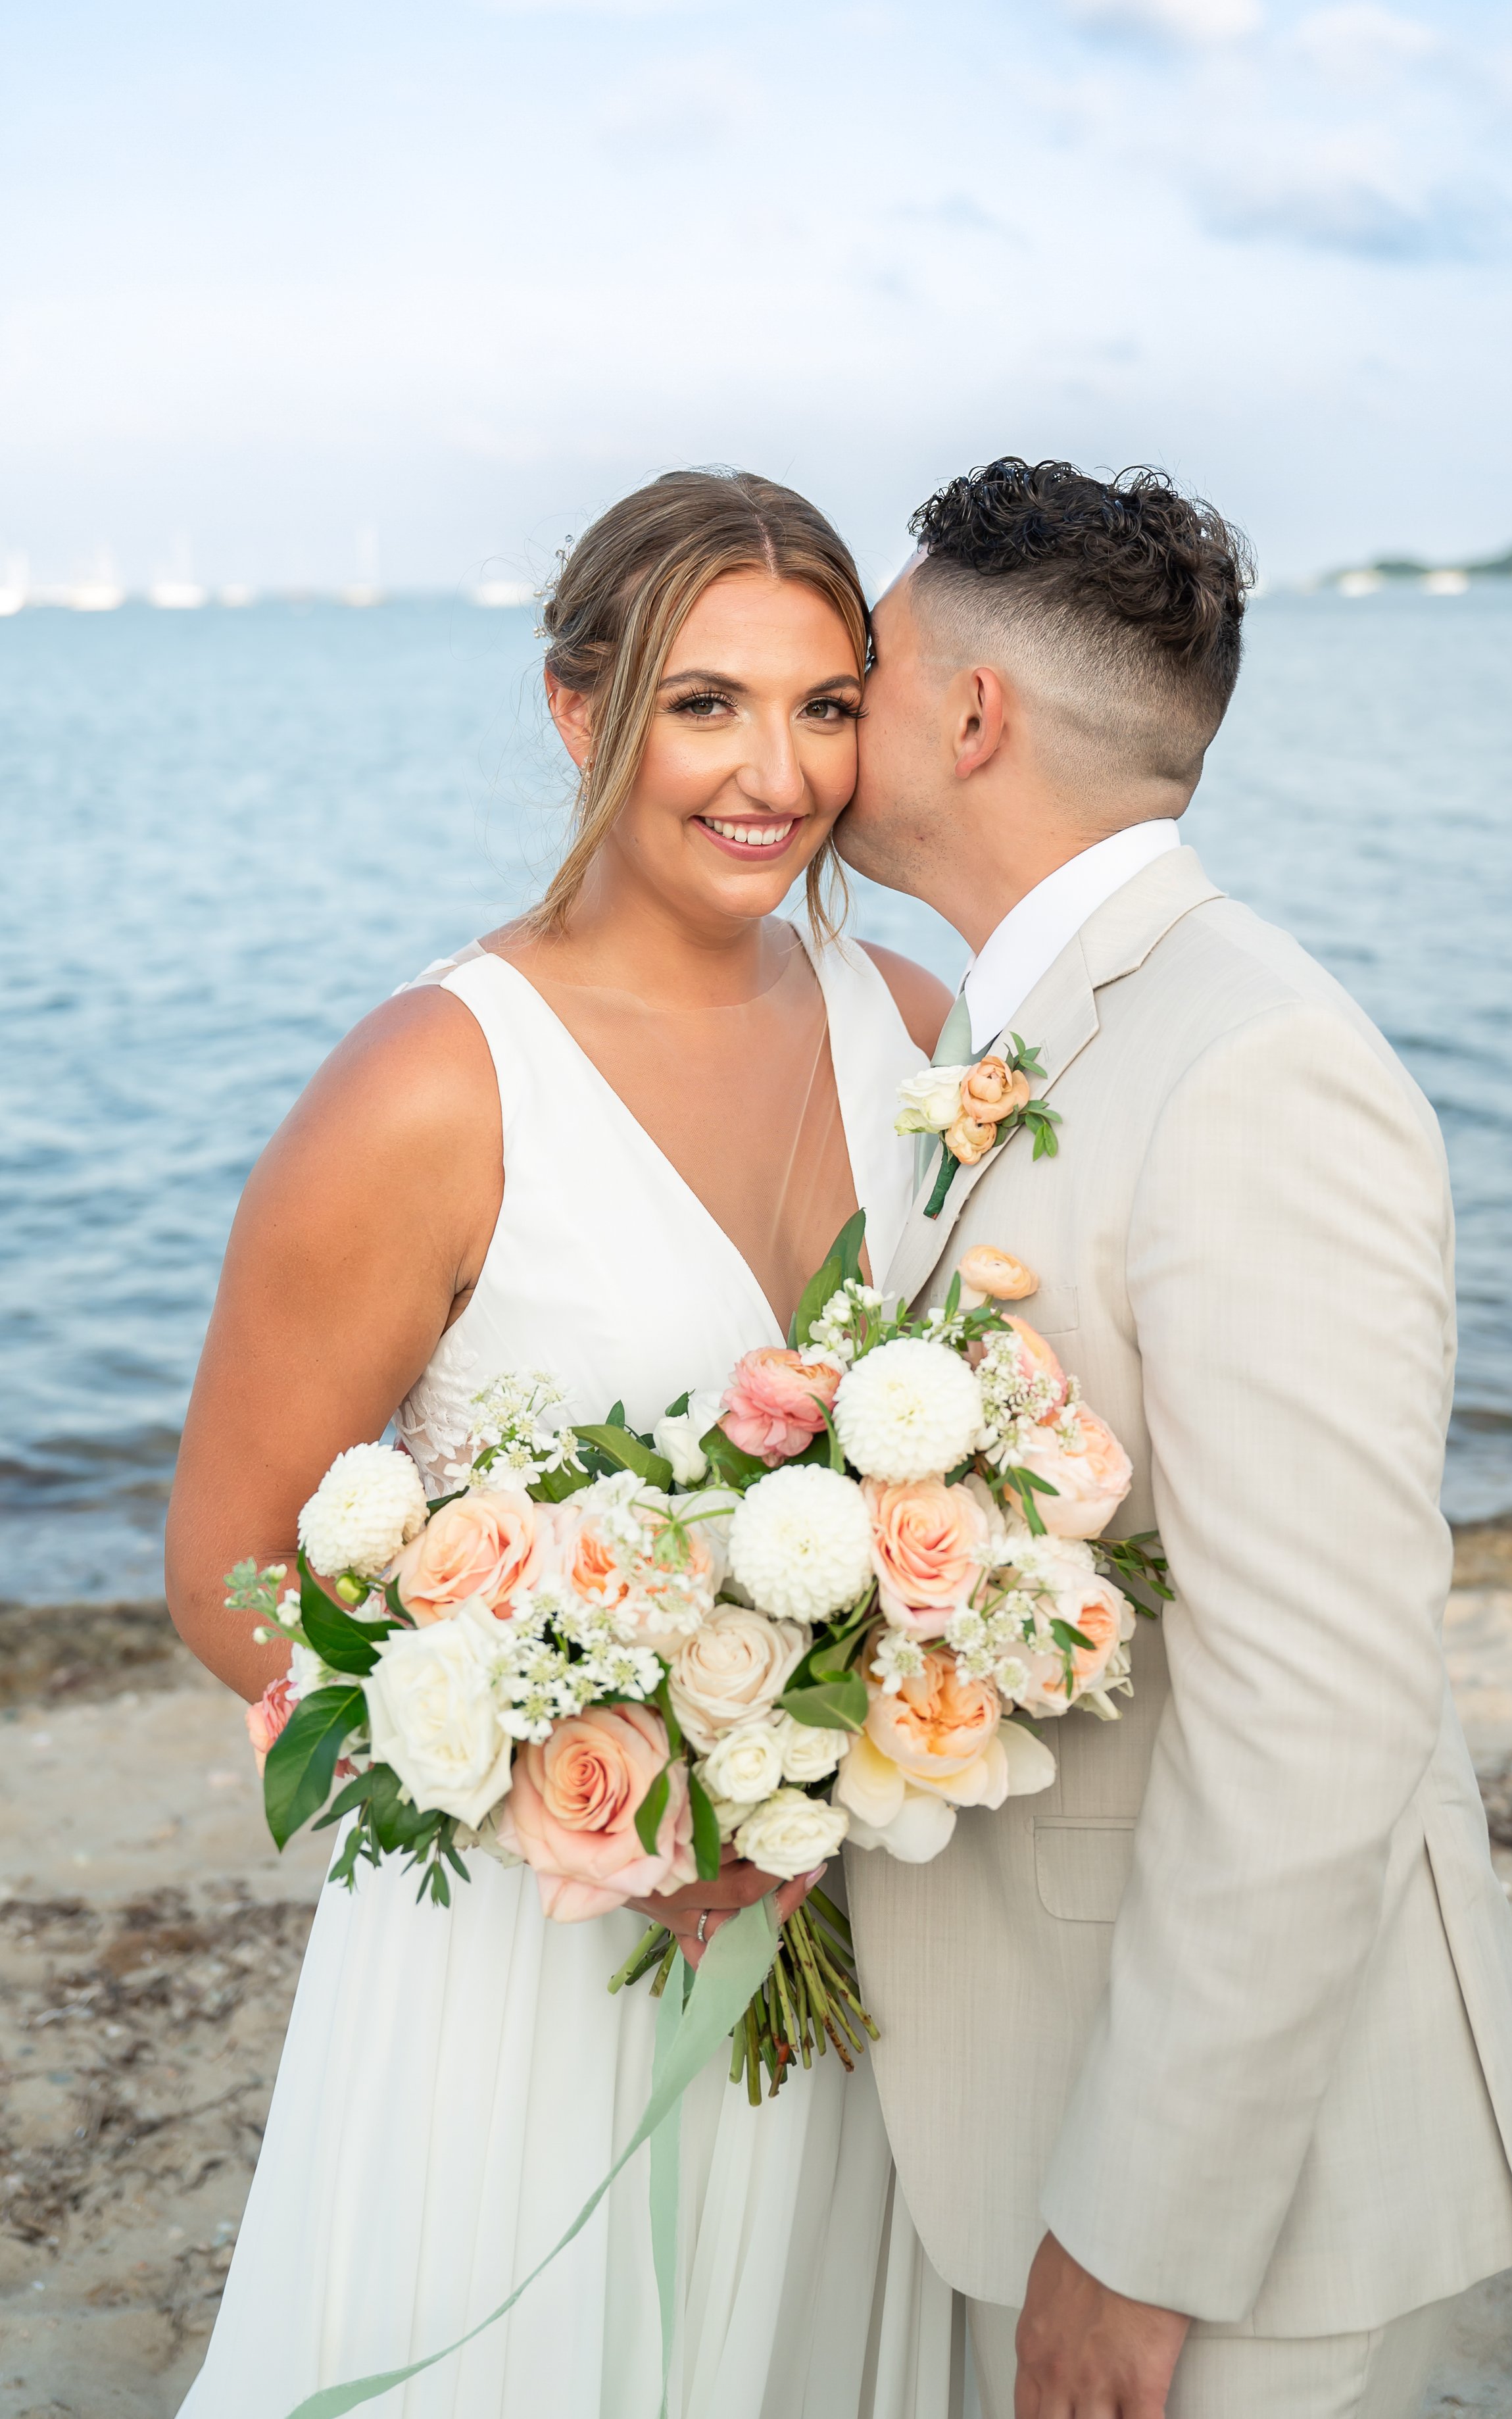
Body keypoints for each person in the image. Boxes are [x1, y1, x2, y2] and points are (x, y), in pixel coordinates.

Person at [165, 469, 961, 2418]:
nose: (771, 772)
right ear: (578, 712)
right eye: (704, 704)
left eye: (824, 705)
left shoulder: (919, 1023)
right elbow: (227, 1568)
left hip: (855, 1912)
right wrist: (593, 1804)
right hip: (534, 1961)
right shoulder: (434, 1083)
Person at [836, 457, 1512, 2419]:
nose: (837, 709)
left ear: (970, 717)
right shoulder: (1033, 1029)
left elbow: (1319, 1699)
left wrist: (1137, 2235)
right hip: (1035, 2083)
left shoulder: (1249, 1066)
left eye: (866, 670)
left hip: (1238, 2212)